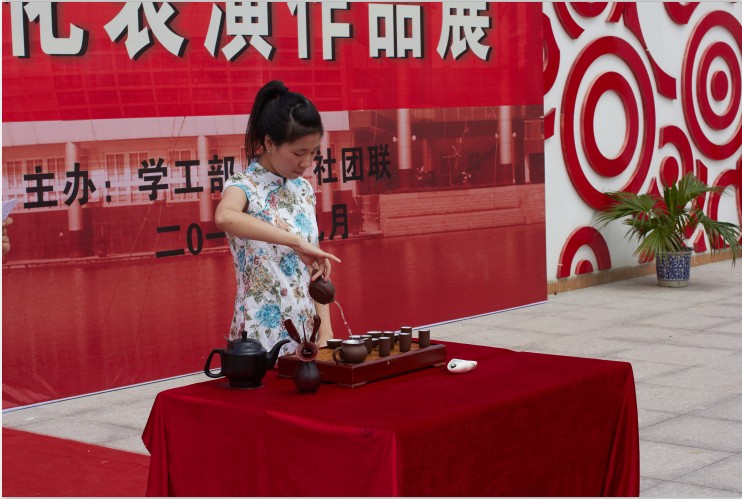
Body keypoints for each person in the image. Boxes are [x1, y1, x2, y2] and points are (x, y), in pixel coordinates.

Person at [215, 81, 340, 354]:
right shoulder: (243, 186)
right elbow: (224, 216)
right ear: (269, 142)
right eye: (298, 153)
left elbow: (316, 270)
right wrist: (295, 241)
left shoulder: (304, 189)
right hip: (258, 339)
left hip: (307, 337)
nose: (306, 162)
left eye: (313, 152)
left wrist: (326, 335)